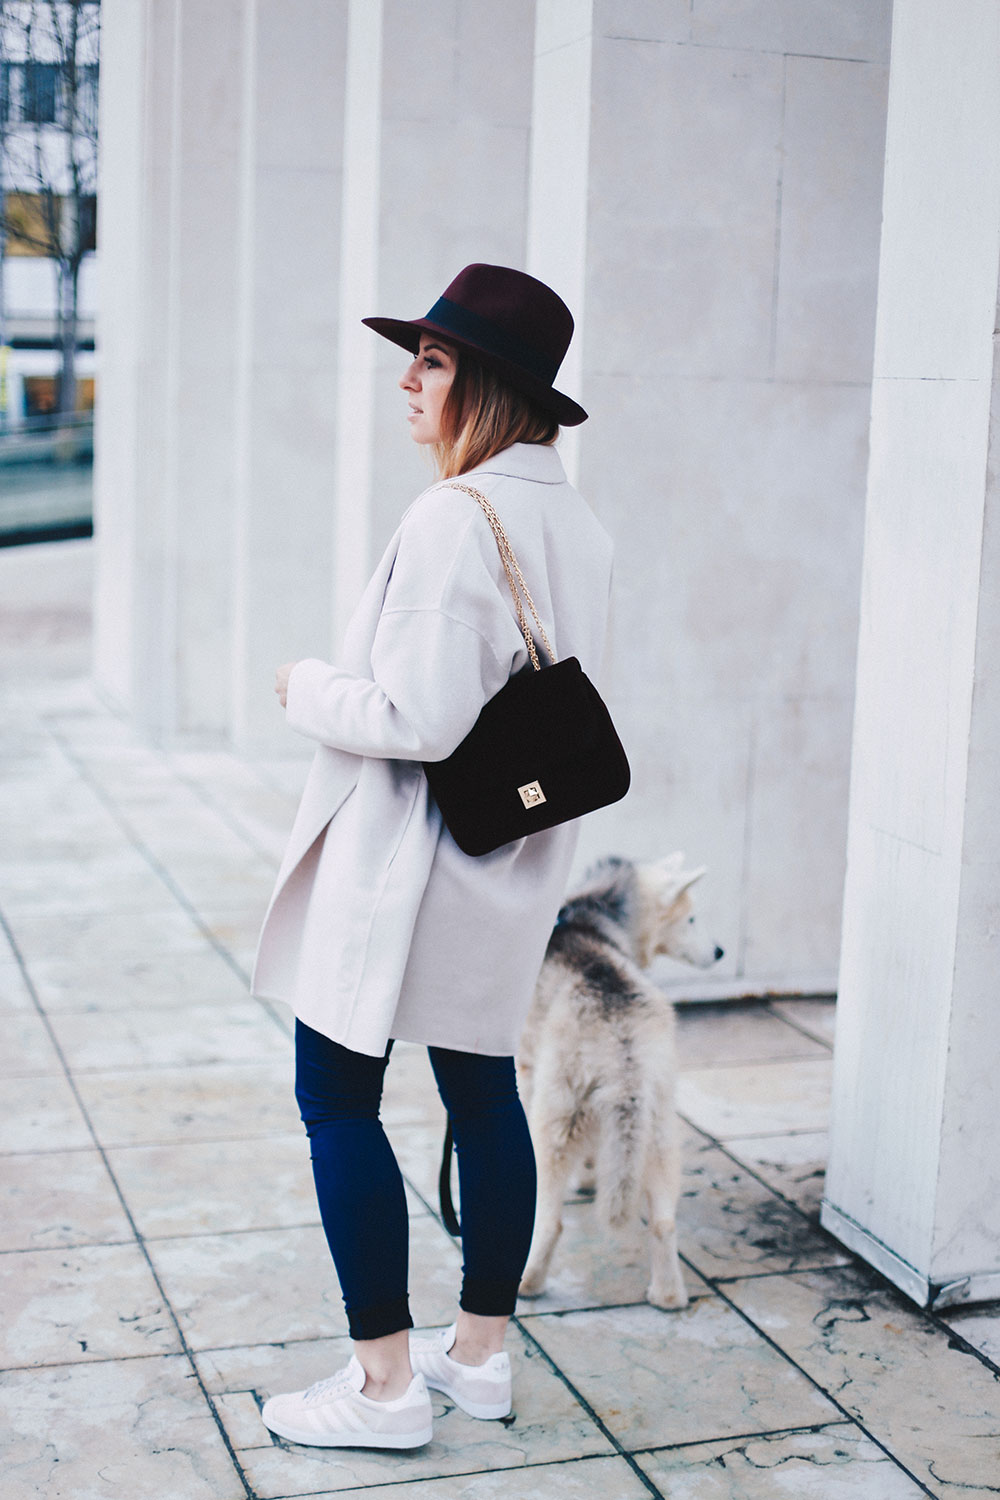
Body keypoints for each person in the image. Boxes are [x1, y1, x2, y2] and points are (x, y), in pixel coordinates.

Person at [252, 263, 614, 1450]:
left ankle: (383, 1388)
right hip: (502, 867)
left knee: (334, 1096)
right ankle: (478, 1358)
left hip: (406, 867)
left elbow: (418, 721)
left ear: (489, 387)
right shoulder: (575, 520)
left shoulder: (454, 517)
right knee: (480, 1093)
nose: (409, 380)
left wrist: (306, 686)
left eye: (435, 361)